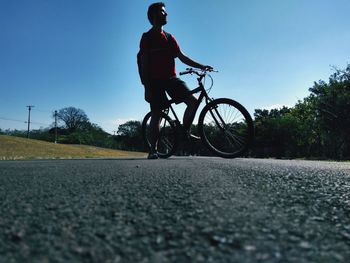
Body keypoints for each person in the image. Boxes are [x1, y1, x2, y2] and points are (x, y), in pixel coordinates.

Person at [139, 2, 213, 159]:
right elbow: (144, 64)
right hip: (154, 81)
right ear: (153, 16)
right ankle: (153, 149)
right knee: (157, 114)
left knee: (193, 102)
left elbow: (182, 56)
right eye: (162, 12)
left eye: (165, 12)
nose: (166, 14)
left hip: (171, 79)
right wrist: (146, 87)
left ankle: (184, 131)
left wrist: (201, 66)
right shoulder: (147, 38)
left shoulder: (169, 37)